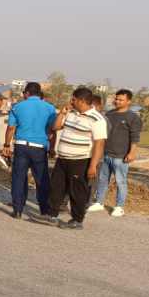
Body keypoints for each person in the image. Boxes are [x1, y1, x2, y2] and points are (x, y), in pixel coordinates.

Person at [32, 88, 107, 230]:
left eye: (74, 99)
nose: (71, 101)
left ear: (82, 101)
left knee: (77, 191)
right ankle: (51, 215)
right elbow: (55, 127)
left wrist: (93, 165)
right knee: (56, 187)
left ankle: (77, 220)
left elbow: (99, 144)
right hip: (63, 158)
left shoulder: (97, 119)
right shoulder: (71, 113)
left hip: (80, 160)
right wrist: (62, 113)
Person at [3, 82, 57, 219]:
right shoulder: (50, 108)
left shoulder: (17, 107)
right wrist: (52, 148)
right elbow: (52, 130)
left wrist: (6, 145)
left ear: (27, 93)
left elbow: (11, 128)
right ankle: (44, 210)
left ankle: (18, 210)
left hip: (21, 146)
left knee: (19, 178)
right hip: (40, 148)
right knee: (41, 179)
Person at [88, 89, 142, 217]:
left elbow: (135, 137)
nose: (117, 101)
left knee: (120, 181)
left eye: (121, 100)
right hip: (106, 153)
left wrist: (132, 153)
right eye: (116, 99)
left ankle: (119, 206)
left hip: (121, 156)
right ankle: (99, 202)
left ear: (128, 101)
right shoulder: (109, 114)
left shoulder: (133, 117)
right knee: (102, 180)